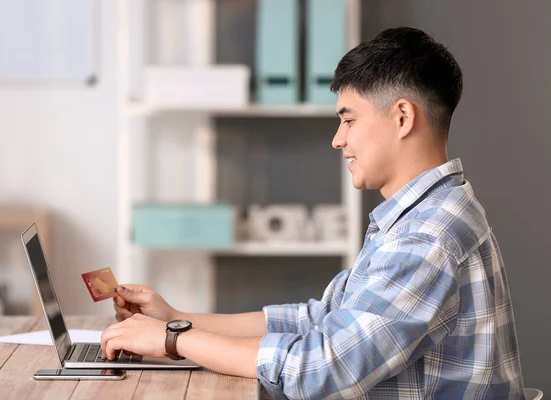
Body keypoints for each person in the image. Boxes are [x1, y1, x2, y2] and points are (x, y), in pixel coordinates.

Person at [100, 27, 524, 399]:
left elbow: (320, 368)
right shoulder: (419, 216)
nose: (338, 140)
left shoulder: (427, 236)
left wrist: (173, 342)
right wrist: (176, 320)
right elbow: (317, 320)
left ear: (402, 117)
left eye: (349, 120)